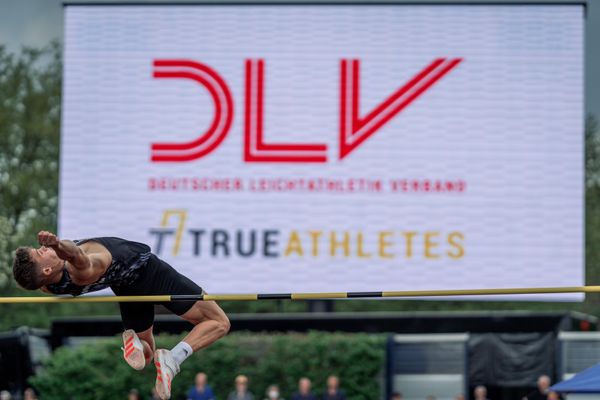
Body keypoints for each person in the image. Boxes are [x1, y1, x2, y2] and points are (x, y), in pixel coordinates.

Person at [12, 232, 231, 400]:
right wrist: (57, 244)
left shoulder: (47, 286)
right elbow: (77, 255)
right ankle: (173, 359)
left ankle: (134, 344)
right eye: (41, 252)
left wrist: (53, 250)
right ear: (47, 271)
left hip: (126, 288)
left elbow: (34, 276)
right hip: (150, 273)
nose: (44, 248)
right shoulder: (80, 270)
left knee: (145, 358)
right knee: (218, 322)